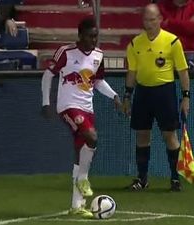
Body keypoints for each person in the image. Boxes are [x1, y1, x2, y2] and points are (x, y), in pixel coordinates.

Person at [41, 18, 122, 218]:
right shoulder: (66, 52)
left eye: (96, 36)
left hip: (88, 108)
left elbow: (98, 81)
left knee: (81, 152)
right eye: (89, 36)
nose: (93, 40)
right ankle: (83, 180)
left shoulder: (98, 55)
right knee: (92, 138)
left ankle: (76, 205)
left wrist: (114, 96)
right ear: (80, 36)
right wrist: (46, 102)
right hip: (68, 106)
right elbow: (47, 75)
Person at [123, 4, 190, 192]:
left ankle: (175, 179)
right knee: (142, 134)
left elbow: (183, 72)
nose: (149, 23)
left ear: (160, 19)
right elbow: (132, 72)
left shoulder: (172, 41)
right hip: (143, 93)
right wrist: (127, 95)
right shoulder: (135, 44)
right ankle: (142, 178)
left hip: (164, 92)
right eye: (146, 20)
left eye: (153, 19)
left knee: (169, 135)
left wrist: (186, 97)